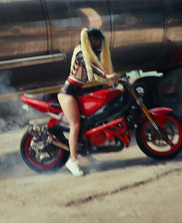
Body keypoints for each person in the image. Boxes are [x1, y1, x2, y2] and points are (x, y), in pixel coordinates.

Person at [57, 27, 119, 176]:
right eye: (95, 40)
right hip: (68, 92)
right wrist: (106, 75)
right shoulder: (80, 52)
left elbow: (97, 68)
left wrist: (110, 78)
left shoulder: (89, 54)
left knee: (89, 121)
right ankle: (72, 161)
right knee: (76, 125)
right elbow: (88, 66)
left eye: (99, 41)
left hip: (77, 92)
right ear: (89, 40)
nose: (98, 43)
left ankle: (87, 148)